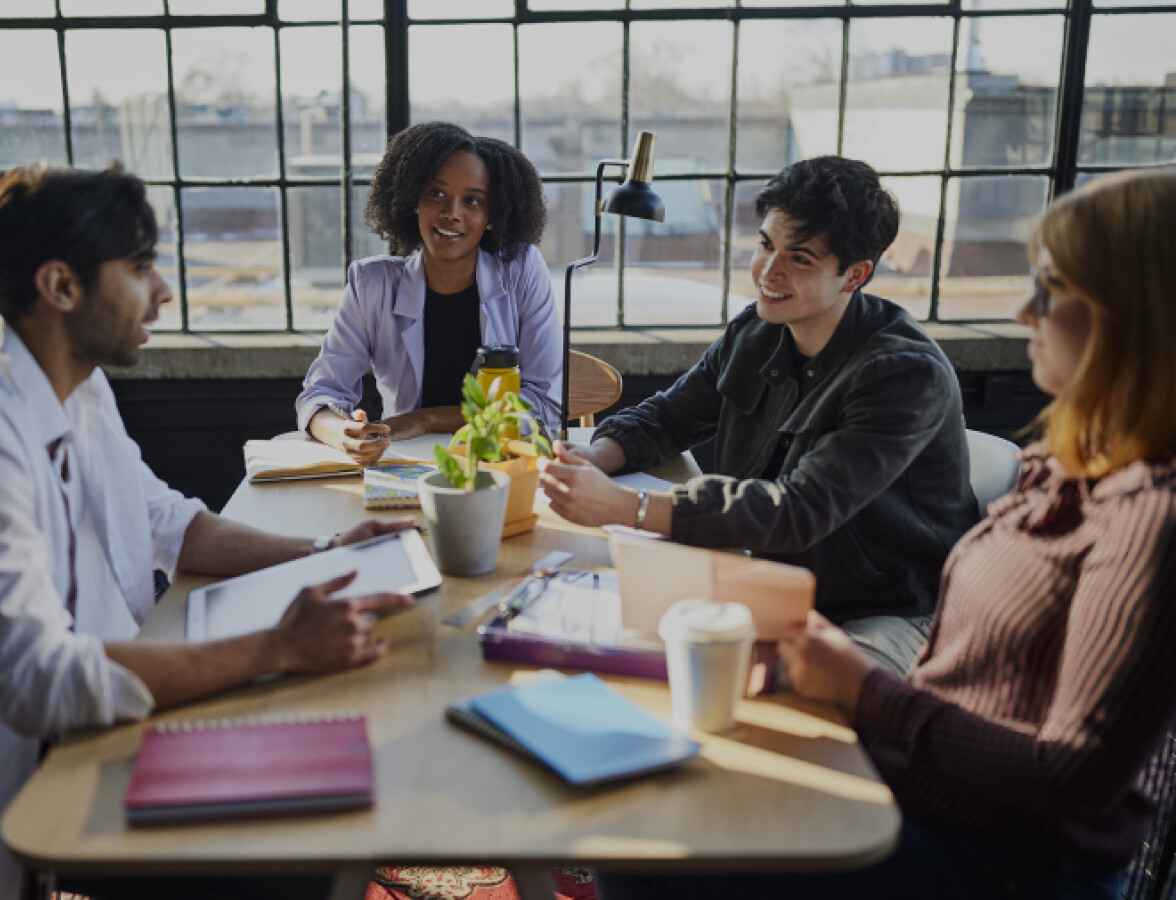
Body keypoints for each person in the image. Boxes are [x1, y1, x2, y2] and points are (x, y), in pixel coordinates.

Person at [0, 165, 414, 900]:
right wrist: (278, 646)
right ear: (61, 287)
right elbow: (36, 680)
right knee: (291, 861)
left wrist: (326, 555)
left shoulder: (75, 379)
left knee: (315, 787)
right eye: (139, 268)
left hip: (80, 724)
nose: (164, 290)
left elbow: (168, 522)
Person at [599, 167, 1176, 900]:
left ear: (1134, 317)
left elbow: (1074, 777)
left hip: (1007, 858)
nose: (1026, 311)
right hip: (921, 769)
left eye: (1054, 288)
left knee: (645, 841)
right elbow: (967, 672)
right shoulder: (1061, 469)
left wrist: (864, 692)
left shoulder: (1150, 519)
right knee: (659, 775)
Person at [538, 156, 978, 676]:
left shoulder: (902, 375)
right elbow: (672, 415)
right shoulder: (760, 330)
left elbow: (797, 511)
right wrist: (593, 455)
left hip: (886, 610)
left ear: (855, 274)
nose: (770, 272)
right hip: (772, 576)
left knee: (778, 708)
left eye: (802, 258)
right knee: (618, 639)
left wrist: (627, 508)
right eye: (767, 245)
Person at [297, 121, 561, 464]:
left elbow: (543, 405)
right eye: (437, 194)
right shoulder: (371, 283)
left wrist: (424, 420)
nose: (452, 213)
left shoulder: (522, 269)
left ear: (493, 215)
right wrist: (342, 434)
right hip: (407, 465)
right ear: (413, 200)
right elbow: (320, 394)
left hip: (502, 460)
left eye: (473, 201)